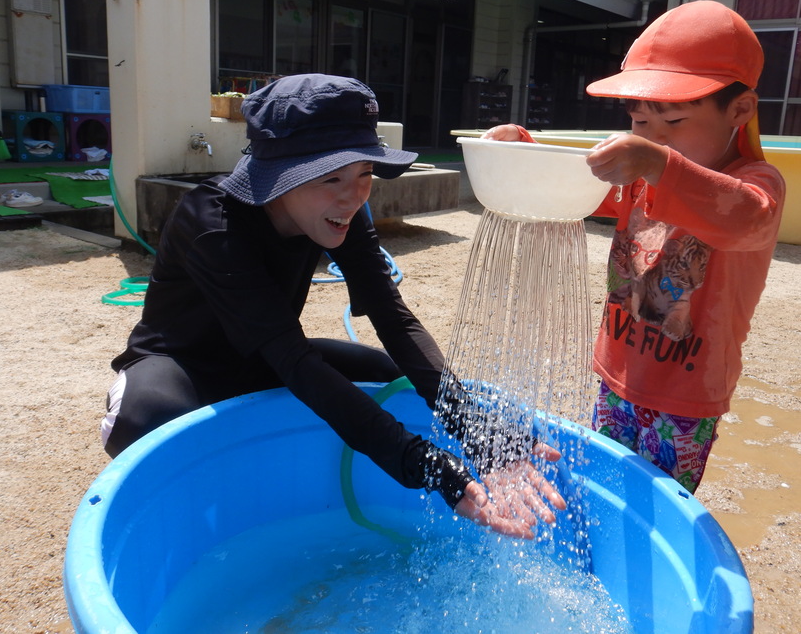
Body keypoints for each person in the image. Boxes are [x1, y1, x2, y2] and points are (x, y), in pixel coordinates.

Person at [102, 73, 565, 537]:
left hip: (266, 360)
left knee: (388, 375)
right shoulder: (212, 222)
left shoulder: (341, 212)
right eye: (331, 177)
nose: (353, 195)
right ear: (279, 178)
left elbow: (393, 318)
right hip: (183, 363)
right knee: (146, 417)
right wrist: (423, 463)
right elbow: (293, 359)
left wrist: (475, 430)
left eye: (365, 172)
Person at [484, 0, 786, 492]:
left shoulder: (755, 183)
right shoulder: (642, 177)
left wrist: (659, 162)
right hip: (617, 374)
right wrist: (520, 146)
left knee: (655, 503)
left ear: (740, 109)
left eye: (672, 123)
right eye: (642, 123)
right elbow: (571, 188)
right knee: (603, 484)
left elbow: (744, 219)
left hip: (686, 394)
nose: (654, 138)